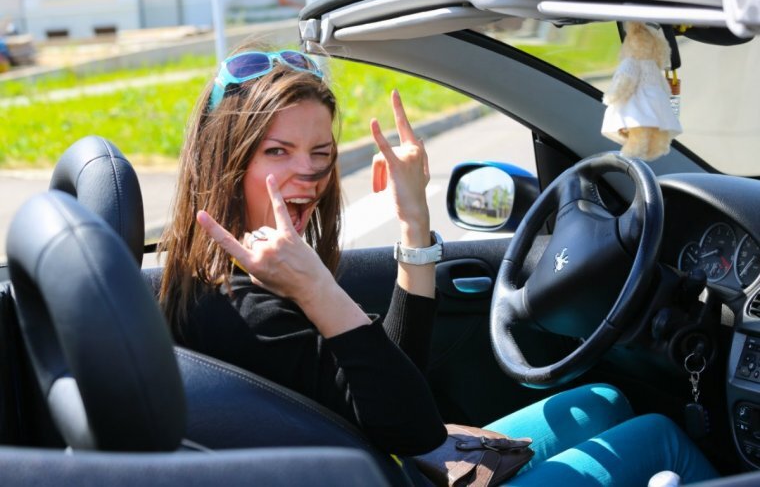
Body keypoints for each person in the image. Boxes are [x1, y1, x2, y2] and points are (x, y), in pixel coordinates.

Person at [158, 43, 719, 485]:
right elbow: (412, 429)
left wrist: (412, 222)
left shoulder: (241, 271)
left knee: (607, 400)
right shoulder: (241, 304)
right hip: (400, 469)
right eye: (276, 152)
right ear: (226, 160)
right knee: (660, 437)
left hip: (401, 467)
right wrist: (315, 289)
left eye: (321, 153)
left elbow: (391, 381)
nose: (308, 174)